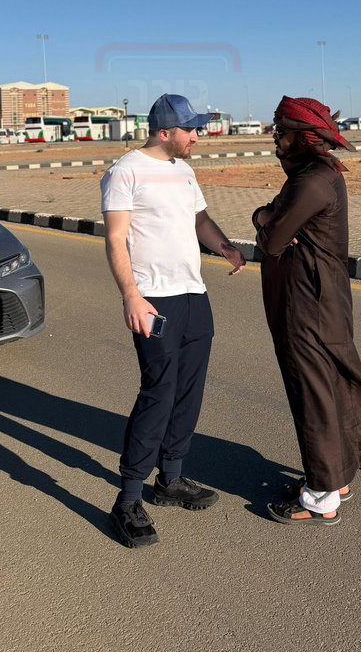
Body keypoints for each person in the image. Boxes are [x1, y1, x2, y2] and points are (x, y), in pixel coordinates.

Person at [101, 93, 246, 548]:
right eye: (191, 130)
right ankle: (127, 499)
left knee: (188, 390)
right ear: (165, 132)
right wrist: (131, 295)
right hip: (154, 299)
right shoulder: (124, 171)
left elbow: (198, 217)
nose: (197, 136)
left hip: (192, 294)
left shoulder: (184, 170)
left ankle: (172, 478)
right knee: (158, 393)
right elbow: (116, 237)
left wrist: (222, 245)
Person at [252, 96, 361, 525]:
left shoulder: (311, 181)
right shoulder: (318, 174)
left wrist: (263, 214)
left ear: (303, 137)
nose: (274, 138)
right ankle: (336, 477)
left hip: (307, 303)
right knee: (329, 386)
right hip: (323, 298)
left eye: (280, 131)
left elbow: (273, 240)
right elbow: (281, 229)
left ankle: (319, 496)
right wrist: (273, 217)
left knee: (312, 392)